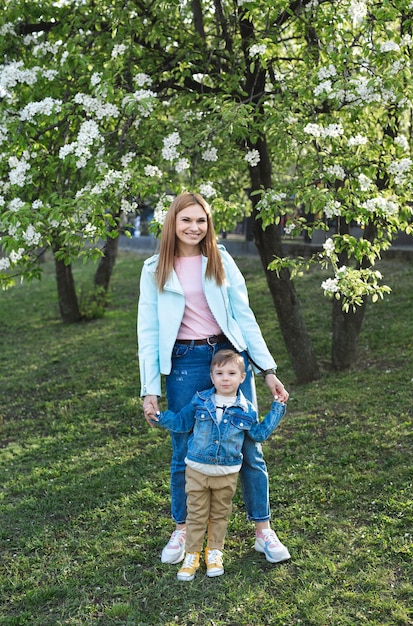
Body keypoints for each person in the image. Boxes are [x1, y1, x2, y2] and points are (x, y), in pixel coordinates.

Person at [138, 190, 290, 567]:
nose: (194, 227)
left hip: (229, 358)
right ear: (172, 222)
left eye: (201, 220)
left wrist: (266, 369)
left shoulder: (220, 261)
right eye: (186, 219)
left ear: (209, 225)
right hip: (185, 362)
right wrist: (149, 388)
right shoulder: (154, 267)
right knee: (183, 449)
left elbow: (245, 317)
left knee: (249, 446)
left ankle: (263, 531)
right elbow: (148, 330)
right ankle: (182, 528)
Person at [150, 349, 287, 581]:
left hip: (226, 474)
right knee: (196, 514)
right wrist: (160, 416)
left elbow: (259, 433)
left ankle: (214, 552)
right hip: (197, 471)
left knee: (220, 515)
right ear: (211, 377)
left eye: (232, 373)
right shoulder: (201, 401)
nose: (225, 378)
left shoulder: (246, 410)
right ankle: (191, 555)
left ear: (242, 378)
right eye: (219, 373)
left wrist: (278, 408)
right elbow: (182, 423)